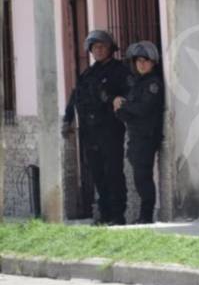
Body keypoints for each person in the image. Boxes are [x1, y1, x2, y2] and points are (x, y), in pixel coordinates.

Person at [62, 30, 132, 225]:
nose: (98, 50)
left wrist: (116, 100)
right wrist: (67, 119)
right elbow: (75, 97)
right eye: (94, 47)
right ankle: (105, 214)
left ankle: (117, 215)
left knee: (113, 172)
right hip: (89, 131)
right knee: (97, 173)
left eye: (102, 46)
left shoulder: (120, 70)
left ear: (110, 48)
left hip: (110, 129)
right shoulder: (88, 74)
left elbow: (129, 93)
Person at [114, 41, 165, 224]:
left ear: (153, 62)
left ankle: (146, 215)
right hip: (136, 136)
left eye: (145, 60)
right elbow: (123, 114)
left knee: (143, 177)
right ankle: (144, 215)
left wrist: (124, 105)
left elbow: (143, 109)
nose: (141, 64)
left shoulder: (153, 84)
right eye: (138, 61)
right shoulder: (137, 83)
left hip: (146, 136)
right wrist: (121, 107)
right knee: (139, 177)